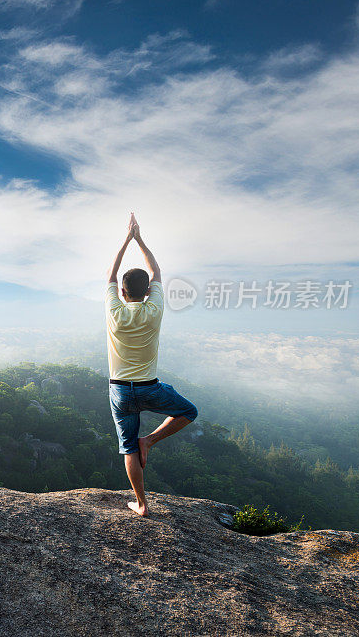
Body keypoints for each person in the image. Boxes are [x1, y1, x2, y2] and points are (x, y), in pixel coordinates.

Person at [105, 213, 199, 517]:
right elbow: (156, 270)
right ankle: (151, 441)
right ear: (147, 292)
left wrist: (125, 240)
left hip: (120, 392)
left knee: (127, 447)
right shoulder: (154, 308)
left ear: (122, 292)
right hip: (150, 388)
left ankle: (142, 504)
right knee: (188, 411)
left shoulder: (114, 309)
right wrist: (139, 238)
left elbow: (110, 274)